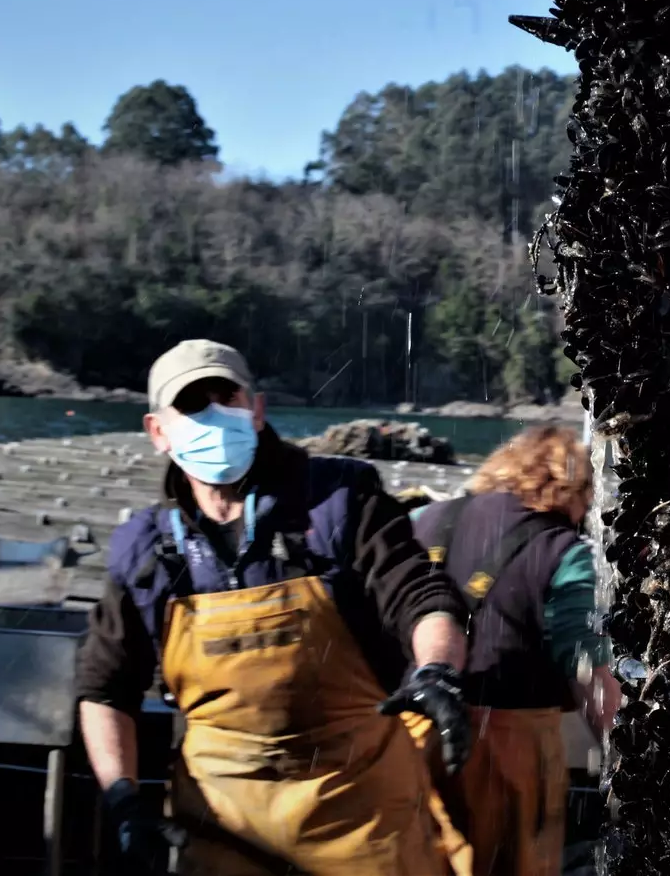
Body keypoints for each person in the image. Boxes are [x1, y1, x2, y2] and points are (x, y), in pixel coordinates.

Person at [75, 339, 472, 876]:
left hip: (360, 817)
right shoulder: (146, 550)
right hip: (219, 826)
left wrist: (439, 670)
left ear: (256, 411)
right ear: (157, 432)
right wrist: (122, 799)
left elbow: (421, 596)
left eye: (226, 397)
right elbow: (105, 688)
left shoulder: (339, 500)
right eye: (191, 406)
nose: (213, 415)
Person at [407, 425, 621, 876]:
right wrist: (623, 752)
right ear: (574, 489)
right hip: (508, 749)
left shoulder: (425, 519)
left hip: (411, 733)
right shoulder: (562, 550)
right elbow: (583, 661)